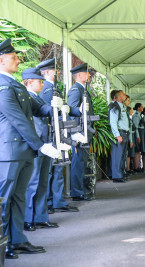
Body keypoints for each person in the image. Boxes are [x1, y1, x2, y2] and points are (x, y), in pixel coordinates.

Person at [0, 39, 61, 259]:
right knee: (5, 200)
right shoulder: (3, 85)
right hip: (10, 152)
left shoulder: (15, 84)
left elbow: (37, 108)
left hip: (23, 152)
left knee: (18, 198)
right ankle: (4, 243)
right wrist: (40, 144)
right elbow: (17, 119)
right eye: (13, 57)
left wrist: (55, 108)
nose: (18, 60)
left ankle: (17, 240)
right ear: (1, 60)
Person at [21, 68, 66, 232]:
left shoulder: (36, 99)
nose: (42, 83)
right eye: (39, 81)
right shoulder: (25, 97)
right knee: (32, 184)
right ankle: (28, 219)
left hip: (45, 143)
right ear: (29, 82)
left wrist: (57, 106)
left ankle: (40, 217)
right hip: (36, 145)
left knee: (42, 182)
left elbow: (44, 110)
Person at [36, 58, 79, 213]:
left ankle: (57, 201)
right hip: (50, 133)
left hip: (56, 132)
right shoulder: (46, 89)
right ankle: (50, 202)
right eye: (54, 70)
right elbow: (49, 112)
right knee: (51, 169)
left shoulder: (53, 88)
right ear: (46, 72)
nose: (57, 72)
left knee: (57, 168)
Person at [67, 63, 94, 201]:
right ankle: (77, 192)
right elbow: (71, 112)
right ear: (79, 75)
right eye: (87, 73)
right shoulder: (75, 90)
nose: (89, 75)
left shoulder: (82, 89)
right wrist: (75, 133)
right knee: (78, 162)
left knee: (82, 162)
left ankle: (81, 190)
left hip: (85, 131)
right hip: (79, 132)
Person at [109, 90, 133, 182]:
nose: (125, 96)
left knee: (122, 155)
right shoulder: (115, 107)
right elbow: (113, 122)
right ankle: (116, 176)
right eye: (123, 95)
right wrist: (117, 135)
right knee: (117, 155)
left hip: (124, 133)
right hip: (119, 133)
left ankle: (121, 173)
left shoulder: (122, 107)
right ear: (118, 97)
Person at [132, 103, 143, 172]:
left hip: (139, 134)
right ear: (138, 108)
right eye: (141, 107)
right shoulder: (136, 115)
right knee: (136, 151)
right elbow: (136, 127)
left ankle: (138, 166)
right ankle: (136, 167)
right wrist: (138, 136)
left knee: (138, 151)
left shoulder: (139, 115)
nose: (142, 108)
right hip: (137, 134)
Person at [126, 106, 135, 173]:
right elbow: (130, 130)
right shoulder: (128, 119)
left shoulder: (129, 119)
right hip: (128, 138)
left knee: (129, 154)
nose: (132, 112)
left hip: (129, 137)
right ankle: (127, 168)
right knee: (127, 154)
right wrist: (131, 141)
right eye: (131, 110)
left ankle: (128, 168)